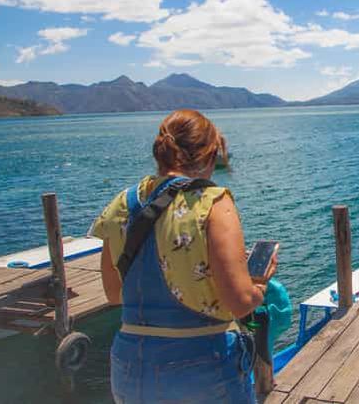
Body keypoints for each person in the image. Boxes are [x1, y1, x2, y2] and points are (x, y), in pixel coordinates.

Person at [92, 109, 275, 403]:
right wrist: (259, 286)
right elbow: (240, 303)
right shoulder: (212, 201)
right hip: (202, 363)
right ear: (211, 154)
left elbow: (114, 294)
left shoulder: (121, 203)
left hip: (128, 364)